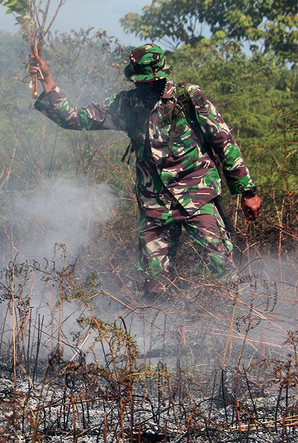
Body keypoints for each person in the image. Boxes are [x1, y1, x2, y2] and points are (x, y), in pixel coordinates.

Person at [29, 43, 262, 297]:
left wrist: (247, 191)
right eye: (140, 82)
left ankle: (237, 326)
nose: (145, 87)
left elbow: (223, 140)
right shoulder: (126, 104)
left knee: (223, 271)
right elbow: (76, 118)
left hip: (197, 196)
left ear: (163, 74)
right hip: (155, 207)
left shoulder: (188, 96)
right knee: (154, 286)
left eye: (151, 81)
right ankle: (161, 332)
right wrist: (48, 79)